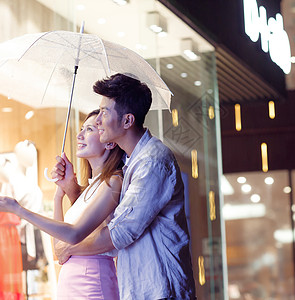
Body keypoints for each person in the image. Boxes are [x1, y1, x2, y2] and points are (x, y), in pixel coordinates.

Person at [53, 73, 196, 299]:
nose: (97, 120)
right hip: (141, 290)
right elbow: (106, 220)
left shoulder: (152, 162)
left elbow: (119, 233)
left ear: (128, 121)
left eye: (104, 112)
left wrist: (70, 247)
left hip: (161, 291)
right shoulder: (132, 163)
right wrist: (70, 189)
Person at [0, 109, 124, 300]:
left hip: (92, 283)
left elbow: (73, 234)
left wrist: (18, 210)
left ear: (109, 141)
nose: (79, 135)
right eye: (81, 129)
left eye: (89, 130)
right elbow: (58, 247)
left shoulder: (113, 182)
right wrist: (59, 195)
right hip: (71, 282)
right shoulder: (91, 187)